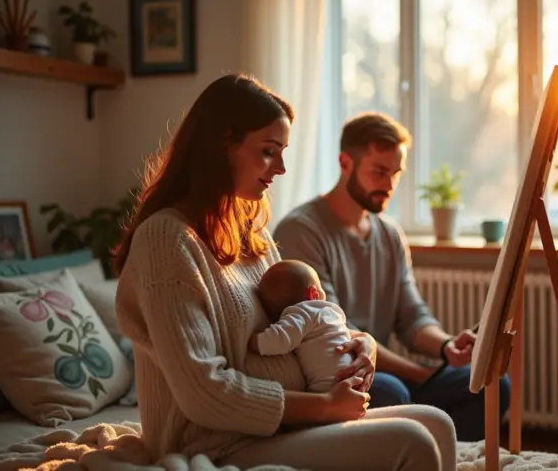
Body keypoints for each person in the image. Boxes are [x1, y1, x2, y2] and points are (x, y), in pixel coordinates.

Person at [113, 75, 457, 471]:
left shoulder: (249, 230)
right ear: (223, 144)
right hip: (218, 442)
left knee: (436, 423)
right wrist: (324, 406)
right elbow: (203, 393)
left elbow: (303, 315)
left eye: (282, 152)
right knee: (411, 441)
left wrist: (362, 345)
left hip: (281, 427)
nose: (280, 168)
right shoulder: (166, 239)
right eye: (268, 151)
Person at [273, 111, 511, 442]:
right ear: (345, 163)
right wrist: (419, 373)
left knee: (491, 383)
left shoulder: (390, 235)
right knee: (391, 391)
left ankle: (445, 459)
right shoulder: (302, 230)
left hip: (388, 372)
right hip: (337, 380)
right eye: (379, 172)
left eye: (395, 174)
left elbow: (412, 317)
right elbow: (334, 331)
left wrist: (446, 347)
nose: (389, 185)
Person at [249, 259, 353, 394]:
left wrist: (255, 341)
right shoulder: (320, 312)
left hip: (328, 386)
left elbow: (279, 339)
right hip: (349, 376)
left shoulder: (304, 314)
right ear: (313, 294)